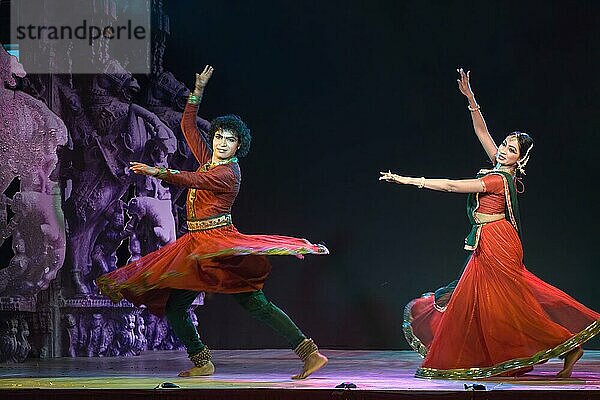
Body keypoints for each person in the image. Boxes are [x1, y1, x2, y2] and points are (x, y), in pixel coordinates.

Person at [97, 65, 329, 379]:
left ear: (238, 146)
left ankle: (309, 352)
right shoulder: (209, 159)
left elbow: (191, 178)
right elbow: (187, 125)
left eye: (229, 140)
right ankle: (202, 361)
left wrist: (156, 172)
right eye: (219, 136)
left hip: (217, 246)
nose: (221, 143)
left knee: (254, 303)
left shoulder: (227, 173)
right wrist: (198, 90)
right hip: (195, 245)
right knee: (177, 306)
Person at [379, 68, 600, 379]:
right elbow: (483, 133)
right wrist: (471, 99)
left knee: (507, 304)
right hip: (491, 238)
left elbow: (453, 187)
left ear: (519, 160)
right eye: (505, 145)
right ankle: (555, 348)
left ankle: (566, 344)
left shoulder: (497, 179)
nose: (503, 150)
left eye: (511, 150)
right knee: (501, 302)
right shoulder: (500, 167)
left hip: (498, 241)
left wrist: (410, 180)